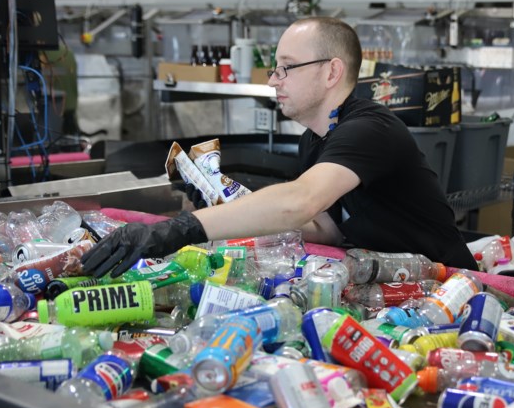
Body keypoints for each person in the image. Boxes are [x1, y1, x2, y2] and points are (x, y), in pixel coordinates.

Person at [81, 17, 478, 278]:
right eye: (275, 67)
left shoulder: (371, 129)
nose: (274, 79)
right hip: (395, 282)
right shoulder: (314, 139)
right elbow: (325, 227)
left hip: (454, 287)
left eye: (286, 67)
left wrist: (180, 230)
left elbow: (300, 201)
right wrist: (227, 205)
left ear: (331, 72)